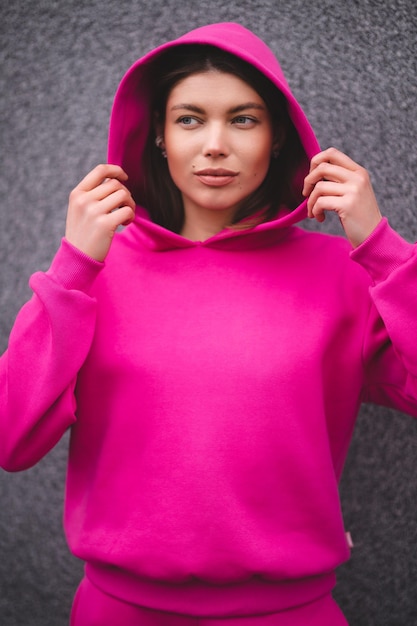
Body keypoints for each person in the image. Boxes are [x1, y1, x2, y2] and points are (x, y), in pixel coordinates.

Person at [0, 21, 416, 626]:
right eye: (190, 119)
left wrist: (383, 249)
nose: (214, 144)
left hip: (290, 613)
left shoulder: (346, 275)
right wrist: (72, 267)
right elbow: (11, 438)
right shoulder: (95, 276)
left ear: (277, 137)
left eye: (243, 119)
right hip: (119, 612)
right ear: (161, 138)